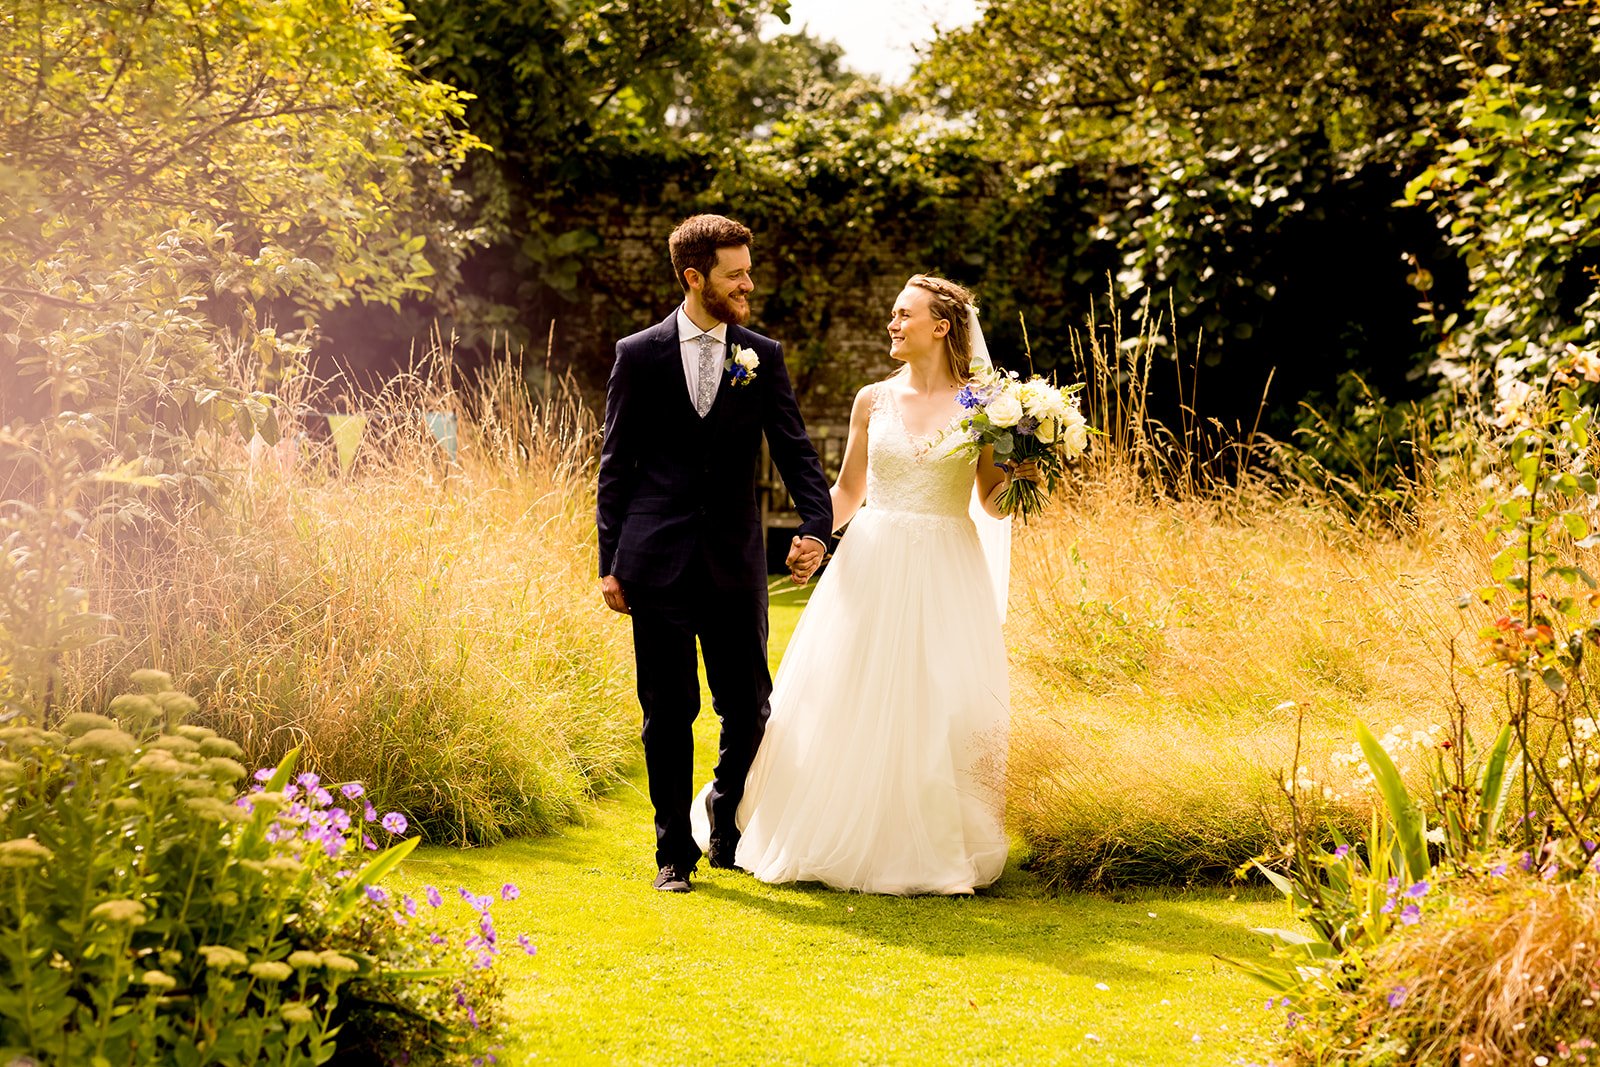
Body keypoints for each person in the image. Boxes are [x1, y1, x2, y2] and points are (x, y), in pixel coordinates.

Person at [693, 274, 1035, 895]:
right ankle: (820, 829)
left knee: (939, 701)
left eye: (905, 315)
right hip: (872, 560)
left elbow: (993, 503)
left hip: (946, 563)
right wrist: (816, 537)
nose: (893, 325)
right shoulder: (871, 400)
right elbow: (849, 489)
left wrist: (1026, 464)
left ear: (942, 326)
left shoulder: (982, 407)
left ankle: (926, 845)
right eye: (893, 314)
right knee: (847, 692)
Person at [597, 214, 834, 894]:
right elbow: (616, 464)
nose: (747, 283)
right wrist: (609, 560)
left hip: (735, 562)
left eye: (748, 271)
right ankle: (674, 852)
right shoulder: (637, 354)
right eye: (735, 274)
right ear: (694, 277)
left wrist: (816, 524)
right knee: (668, 709)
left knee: (749, 706)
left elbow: (793, 447)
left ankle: (723, 816)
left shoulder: (762, 354)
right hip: (655, 561)